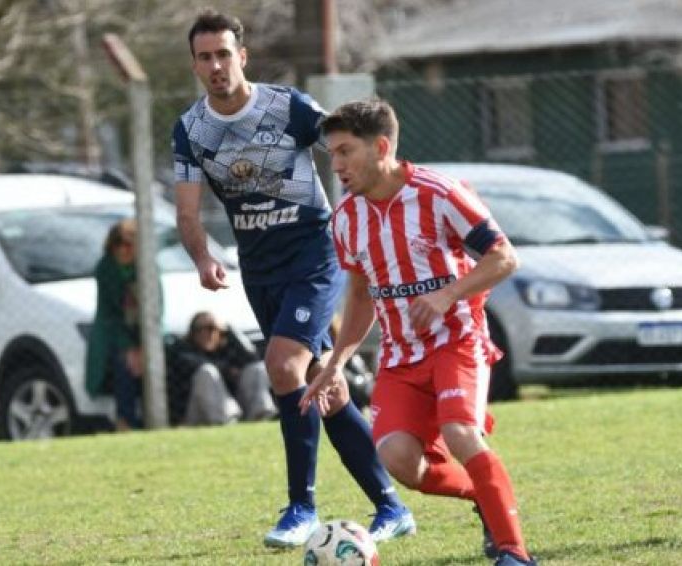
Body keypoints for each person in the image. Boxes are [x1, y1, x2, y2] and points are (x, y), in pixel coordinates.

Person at [172, 10, 413, 548]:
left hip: (314, 253)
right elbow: (188, 214)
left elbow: (349, 153)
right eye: (204, 57)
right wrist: (202, 257)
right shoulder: (191, 129)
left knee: (283, 365)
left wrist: (376, 210)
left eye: (223, 54)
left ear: (243, 56)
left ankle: (301, 506)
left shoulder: (290, 107)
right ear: (195, 64)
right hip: (259, 269)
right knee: (323, 389)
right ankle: (390, 506)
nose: (215, 65)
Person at [302, 99, 536, 566]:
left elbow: (504, 257)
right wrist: (335, 364)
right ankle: (485, 498)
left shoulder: (439, 193)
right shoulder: (347, 218)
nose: (338, 164)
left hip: (458, 340)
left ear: (382, 147)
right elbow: (362, 297)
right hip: (399, 357)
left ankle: (513, 554)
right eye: (332, 154)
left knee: (460, 432)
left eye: (346, 151)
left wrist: (448, 295)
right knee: (398, 460)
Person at [85, 218, 152, 431]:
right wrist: (130, 348)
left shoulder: (147, 268)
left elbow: (156, 311)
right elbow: (109, 316)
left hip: (148, 334)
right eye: (118, 244)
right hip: (114, 337)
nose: (123, 250)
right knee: (124, 364)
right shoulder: (105, 269)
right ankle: (125, 421)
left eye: (129, 244)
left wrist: (145, 346)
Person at [166, 311, 277, 426]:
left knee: (256, 369)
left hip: (236, 407)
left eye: (211, 328)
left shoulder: (228, 350)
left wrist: (230, 331)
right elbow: (193, 363)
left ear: (220, 331)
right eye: (199, 329)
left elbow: (253, 357)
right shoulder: (183, 349)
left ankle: (260, 417)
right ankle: (226, 422)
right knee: (207, 372)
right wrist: (225, 369)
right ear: (192, 332)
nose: (205, 333)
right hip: (194, 414)